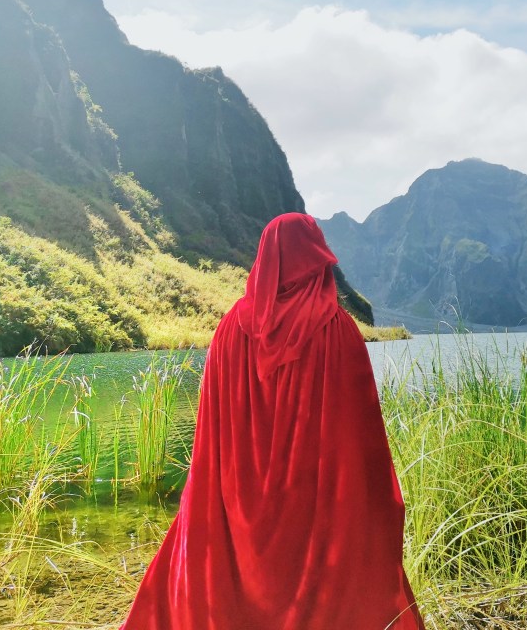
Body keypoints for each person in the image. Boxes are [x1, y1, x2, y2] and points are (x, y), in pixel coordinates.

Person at [120, 212, 425, 630]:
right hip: (314, 509)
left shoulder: (229, 330)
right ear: (314, 263)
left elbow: (212, 439)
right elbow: (360, 445)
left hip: (235, 498)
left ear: (266, 259)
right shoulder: (337, 331)